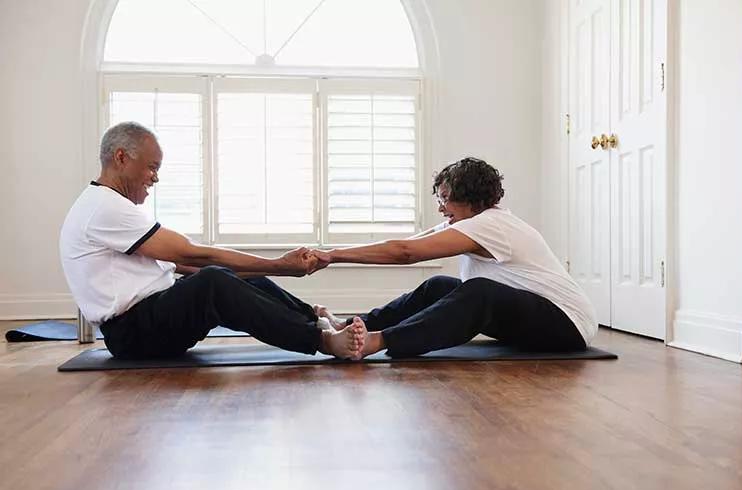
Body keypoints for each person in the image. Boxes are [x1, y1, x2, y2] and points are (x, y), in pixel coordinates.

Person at [60, 121, 363, 359]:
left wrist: (258, 271)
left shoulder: (109, 206)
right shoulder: (104, 207)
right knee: (213, 281)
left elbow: (178, 264)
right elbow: (192, 256)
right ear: (121, 158)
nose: (155, 177)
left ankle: (318, 318)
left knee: (232, 277)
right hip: (134, 334)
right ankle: (322, 341)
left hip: (152, 317)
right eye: (152, 167)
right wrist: (280, 265)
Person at [310, 157, 598, 360]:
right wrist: (335, 252)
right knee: (439, 286)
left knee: (479, 291)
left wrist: (332, 256)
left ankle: (378, 340)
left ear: (470, 197)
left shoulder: (491, 224)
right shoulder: (469, 224)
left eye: (445, 198)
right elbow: (407, 245)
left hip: (567, 326)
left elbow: (405, 253)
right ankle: (350, 326)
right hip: (535, 323)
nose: (440, 208)